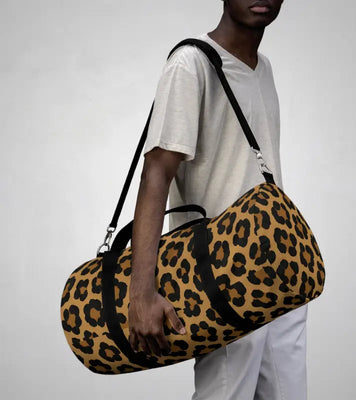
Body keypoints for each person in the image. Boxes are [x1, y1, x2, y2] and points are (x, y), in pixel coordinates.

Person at [128, 1, 309, 399]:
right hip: (223, 276)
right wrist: (140, 292)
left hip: (280, 271)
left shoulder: (263, 68)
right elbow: (157, 172)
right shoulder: (191, 64)